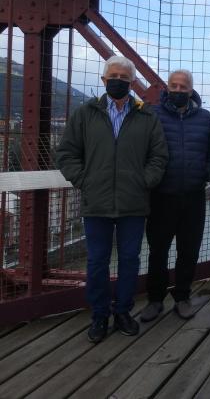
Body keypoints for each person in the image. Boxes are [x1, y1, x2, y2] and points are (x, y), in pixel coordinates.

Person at [56, 56, 168, 343]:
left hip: (133, 202)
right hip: (97, 201)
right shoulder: (84, 114)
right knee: (96, 262)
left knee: (130, 260)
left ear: (131, 83)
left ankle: (123, 312)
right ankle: (99, 316)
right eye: (113, 75)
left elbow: (159, 156)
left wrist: (145, 181)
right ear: (104, 80)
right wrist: (84, 181)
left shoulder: (147, 117)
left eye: (123, 77)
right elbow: (67, 153)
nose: (118, 80)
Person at [140, 70, 210, 322]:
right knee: (158, 250)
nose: (178, 90)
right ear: (167, 87)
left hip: (194, 194)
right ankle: (155, 299)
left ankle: (182, 297)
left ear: (190, 89)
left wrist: (207, 172)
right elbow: (143, 148)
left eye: (183, 87)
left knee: (189, 250)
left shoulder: (205, 118)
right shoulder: (153, 114)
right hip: (161, 194)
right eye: (173, 86)